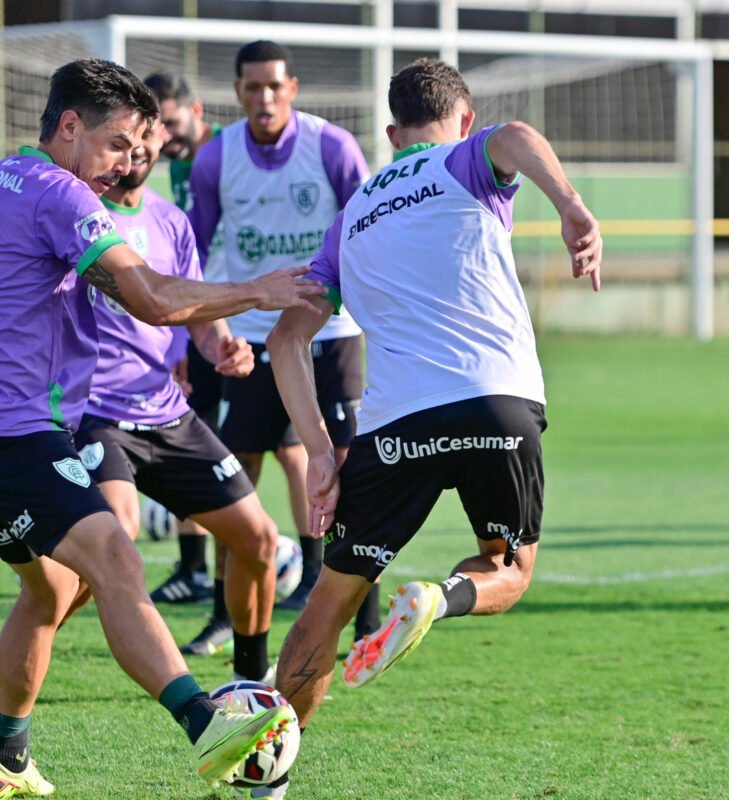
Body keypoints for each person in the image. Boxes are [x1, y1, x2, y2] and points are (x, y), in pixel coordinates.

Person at [0, 59, 313, 798]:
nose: (126, 164)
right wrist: (256, 290)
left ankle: (7, 758)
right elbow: (148, 298)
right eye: (117, 144)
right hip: (9, 439)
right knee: (116, 559)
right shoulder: (60, 194)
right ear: (71, 126)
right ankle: (209, 726)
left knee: (48, 596)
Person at [269, 57, 602, 737]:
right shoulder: (465, 159)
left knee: (326, 606)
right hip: (494, 399)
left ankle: (269, 776)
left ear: (393, 133)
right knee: (507, 569)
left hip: (393, 425)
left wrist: (320, 453)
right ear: (462, 120)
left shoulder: (352, 215)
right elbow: (514, 136)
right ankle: (437, 597)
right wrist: (572, 207)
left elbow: (285, 341)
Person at [72, 118, 280, 683]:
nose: (136, 150)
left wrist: (222, 346)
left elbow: (192, 311)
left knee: (258, 538)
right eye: (124, 139)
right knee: (115, 537)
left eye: (147, 137)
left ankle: (251, 683)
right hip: (97, 416)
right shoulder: (77, 212)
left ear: (163, 143)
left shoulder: (171, 220)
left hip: (166, 413)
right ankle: (29, 645)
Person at [187, 40, 381, 639]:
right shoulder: (216, 158)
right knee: (234, 471)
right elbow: (190, 252)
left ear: (292, 88)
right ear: (239, 92)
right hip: (249, 338)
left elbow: (369, 228)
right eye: (252, 87)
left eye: (275, 85)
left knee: (346, 468)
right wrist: (203, 332)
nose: (264, 97)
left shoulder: (332, 146)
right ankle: (225, 614)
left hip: (332, 332)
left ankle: (364, 620)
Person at [139, 72, 225, 623]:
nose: (165, 136)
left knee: (278, 450)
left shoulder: (221, 155)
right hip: (200, 316)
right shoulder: (182, 162)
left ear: (196, 109)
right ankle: (194, 567)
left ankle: (311, 569)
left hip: (229, 317)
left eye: (171, 122)